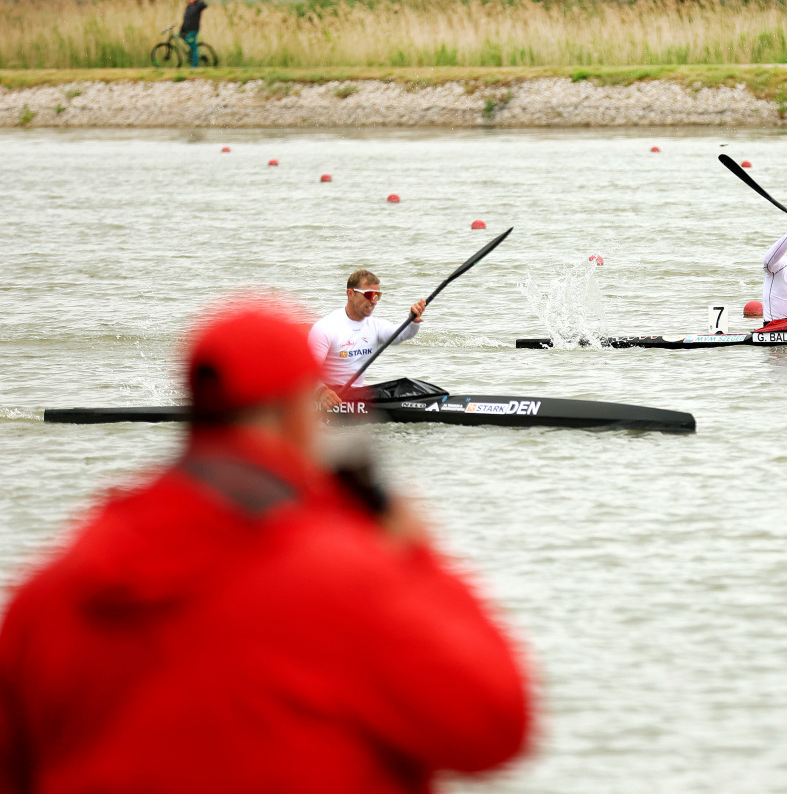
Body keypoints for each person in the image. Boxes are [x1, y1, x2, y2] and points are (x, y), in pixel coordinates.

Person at [0, 301, 531, 794]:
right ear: (299, 415)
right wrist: (412, 555)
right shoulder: (347, 579)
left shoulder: (47, 593)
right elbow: (493, 728)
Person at [309, 270, 428, 410]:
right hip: (328, 398)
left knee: (407, 387)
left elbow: (401, 335)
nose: (374, 301)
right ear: (350, 294)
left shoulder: (374, 326)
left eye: (377, 295)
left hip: (355, 396)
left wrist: (413, 321)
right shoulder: (326, 328)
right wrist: (322, 392)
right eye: (369, 294)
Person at [180, 0, 207, 68]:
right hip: (186, 30)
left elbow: (205, 5)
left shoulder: (198, 6)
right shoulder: (188, 7)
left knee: (193, 47)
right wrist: (182, 30)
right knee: (181, 37)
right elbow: (185, 20)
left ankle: (194, 65)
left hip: (193, 30)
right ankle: (192, 56)